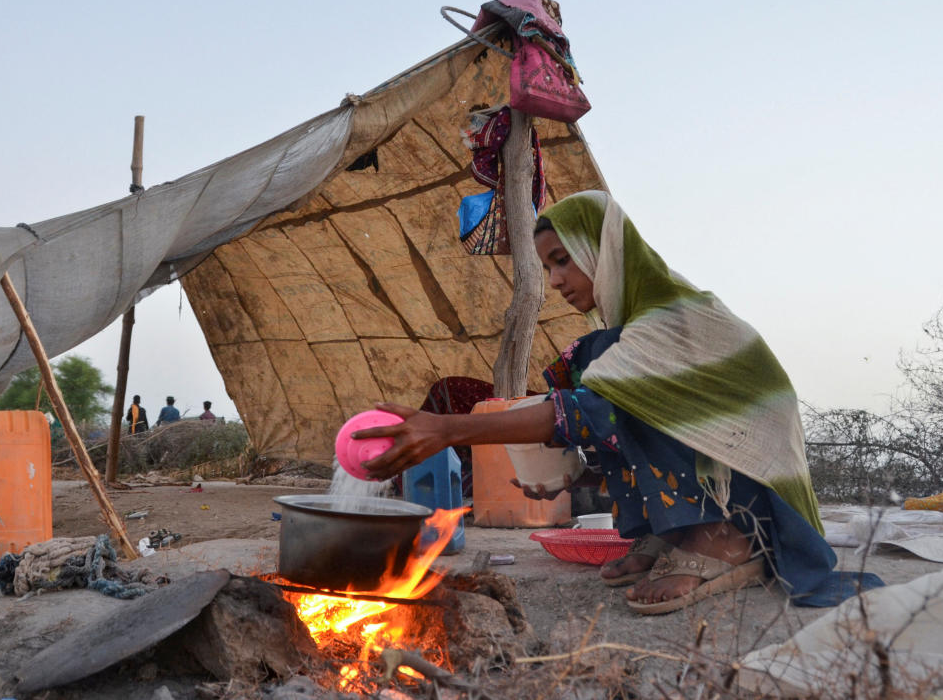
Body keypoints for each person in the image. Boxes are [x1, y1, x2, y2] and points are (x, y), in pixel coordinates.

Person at [357, 190, 876, 614]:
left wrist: (447, 430)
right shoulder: (623, 336)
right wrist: (578, 475)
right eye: (548, 266)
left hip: (750, 490)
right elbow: (609, 419)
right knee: (592, 360)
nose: (556, 279)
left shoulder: (675, 318)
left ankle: (725, 542)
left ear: (604, 252)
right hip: (708, 459)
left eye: (564, 260)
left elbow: (600, 410)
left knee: (607, 383)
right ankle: (667, 534)